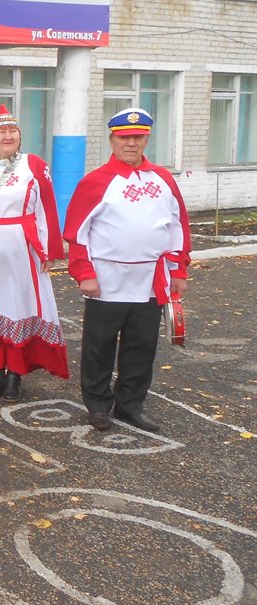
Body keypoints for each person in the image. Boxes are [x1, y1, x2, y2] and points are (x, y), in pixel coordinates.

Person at [64, 108, 190, 432]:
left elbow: (178, 227)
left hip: (150, 280)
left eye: (138, 137)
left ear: (146, 139)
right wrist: (84, 273)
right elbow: (77, 232)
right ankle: (98, 406)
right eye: (124, 138)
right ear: (112, 140)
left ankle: (130, 405)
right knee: (99, 346)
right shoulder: (95, 182)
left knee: (141, 346)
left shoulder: (163, 179)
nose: (131, 143)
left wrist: (178, 271)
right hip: (107, 280)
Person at [0, 105, 68, 401]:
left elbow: (46, 208)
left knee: (20, 305)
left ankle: (15, 374)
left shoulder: (33, 164)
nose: (8, 136)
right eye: (1, 132)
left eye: (13, 131)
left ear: (20, 136)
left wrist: (48, 250)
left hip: (23, 248)